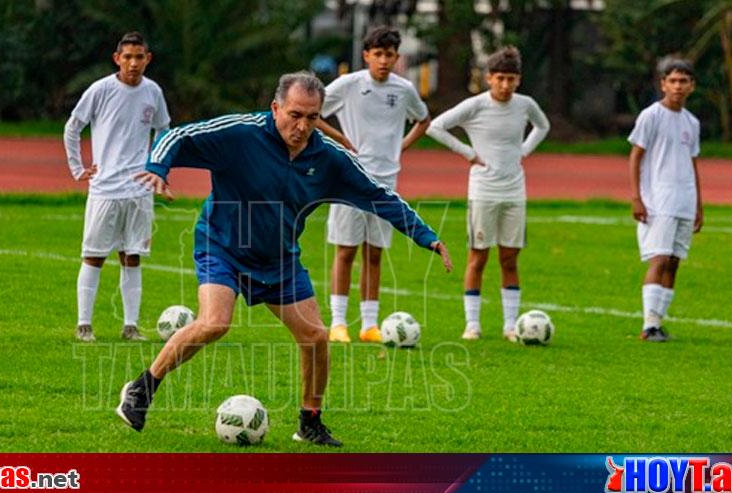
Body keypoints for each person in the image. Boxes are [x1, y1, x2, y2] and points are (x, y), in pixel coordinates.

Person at [116, 71, 452, 447]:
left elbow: (379, 195)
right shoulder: (242, 134)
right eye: (294, 114)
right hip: (222, 245)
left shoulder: (328, 158)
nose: (303, 125)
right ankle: (142, 389)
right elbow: (178, 135)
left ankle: (309, 422)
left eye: (312, 117)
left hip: (278, 259)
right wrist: (159, 168)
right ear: (275, 108)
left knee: (316, 336)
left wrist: (427, 236)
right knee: (215, 322)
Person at [315, 26, 431, 344]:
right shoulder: (349, 84)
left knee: (375, 253)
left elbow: (423, 119)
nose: (383, 60)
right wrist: (339, 138)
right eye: (377, 54)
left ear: (396, 57)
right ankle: (338, 323)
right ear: (366, 55)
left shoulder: (404, 89)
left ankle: (369, 325)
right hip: (348, 178)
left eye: (389, 55)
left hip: (386, 181)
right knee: (345, 250)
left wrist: (401, 147)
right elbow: (314, 113)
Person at [426, 46, 550, 342]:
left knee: (509, 259)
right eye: (499, 78)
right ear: (488, 78)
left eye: (511, 79)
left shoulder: (525, 104)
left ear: (518, 80)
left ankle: (510, 326)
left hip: (514, 191)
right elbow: (435, 127)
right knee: (477, 258)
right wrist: (468, 153)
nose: (505, 85)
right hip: (483, 191)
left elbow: (542, 125)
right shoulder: (476, 106)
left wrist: (524, 151)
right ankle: (472, 324)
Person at [63, 32, 170, 342]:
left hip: (139, 191)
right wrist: (78, 169)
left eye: (139, 57)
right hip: (105, 189)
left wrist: (157, 168)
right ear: (117, 59)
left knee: (132, 256)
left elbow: (163, 130)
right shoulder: (101, 90)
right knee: (94, 255)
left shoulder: (153, 92)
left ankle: (130, 326)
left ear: (148, 59)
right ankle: (84, 324)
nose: (134, 63)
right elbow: (72, 127)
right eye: (128, 57)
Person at [628, 57, 703, 342]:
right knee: (658, 260)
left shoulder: (691, 122)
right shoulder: (651, 116)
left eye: (684, 81)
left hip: (685, 200)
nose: (678, 86)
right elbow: (635, 156)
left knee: (674, 262)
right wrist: (636, 197)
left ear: (692, 86)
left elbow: (692, 163)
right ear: (663, 84)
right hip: (658, 200)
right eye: (672, 81)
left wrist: (698, 204)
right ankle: (648, 326)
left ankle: (657, 323)